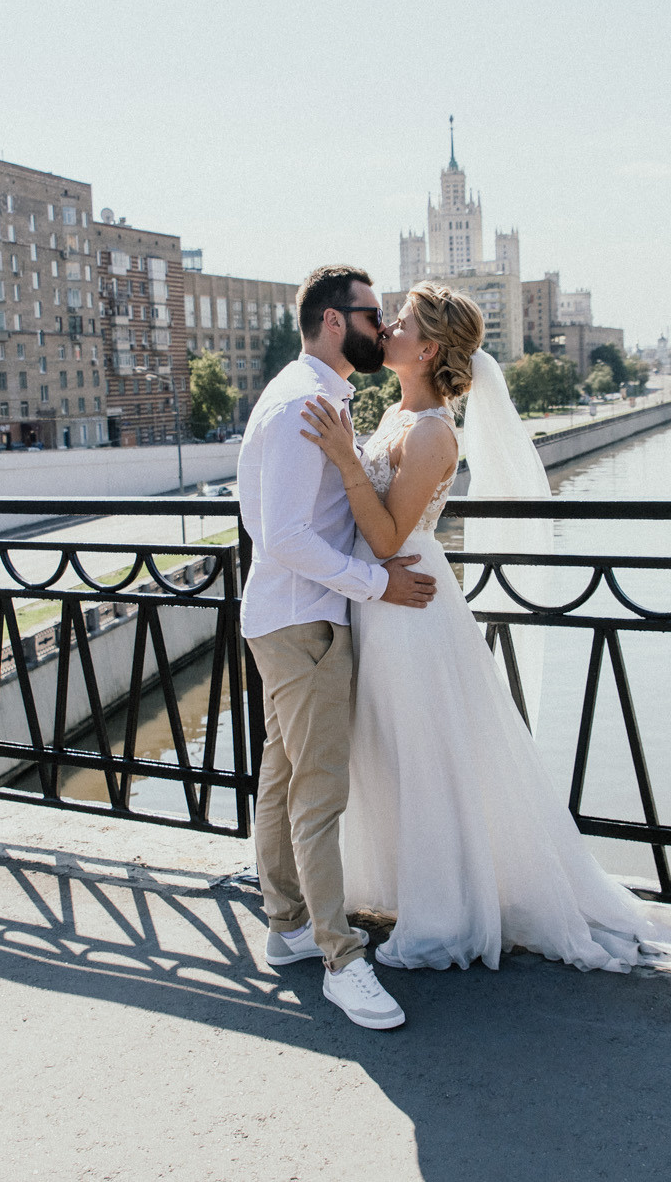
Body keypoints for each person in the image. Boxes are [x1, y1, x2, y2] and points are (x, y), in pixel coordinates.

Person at [299, 281, 671, 973]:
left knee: (423, 755)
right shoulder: (398, 414)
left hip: (407, 609)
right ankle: (399, 885)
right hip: (377, 604)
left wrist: (347, 459)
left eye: (400, 322)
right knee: (385, 748)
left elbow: (383, 537)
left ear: (429, 346)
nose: (386, 328)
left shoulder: (436, 431)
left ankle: (443, 907)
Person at [236, 263, 438, 1032]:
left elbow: (266, 514)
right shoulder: (305, 400)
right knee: (319, 793)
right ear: (332, 320)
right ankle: (340, 959)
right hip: (307, 620)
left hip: (285, 617)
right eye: (371, 313)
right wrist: (372, 583)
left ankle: (287, 923)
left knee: (284, 777)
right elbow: (282, 533)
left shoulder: (300, 394)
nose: (381, 326)